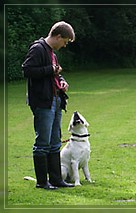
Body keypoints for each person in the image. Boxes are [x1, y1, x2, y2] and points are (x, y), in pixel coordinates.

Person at [22, 21, 75, 189]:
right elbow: (27, 70)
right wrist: (50, 70)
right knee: (42, 143)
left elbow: (56, 73)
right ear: (58, 36)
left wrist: (62, 81)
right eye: (65, 42)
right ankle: (42, 182)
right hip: (43, 101)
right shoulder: (38, 48)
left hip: (55, 99)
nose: (65, 45)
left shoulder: (52, 52)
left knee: (54, 142)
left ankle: (56, 180)